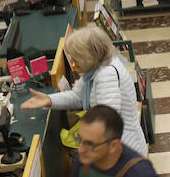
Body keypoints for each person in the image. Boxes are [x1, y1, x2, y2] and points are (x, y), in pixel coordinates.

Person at [19, 25, 148, 155]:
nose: (73, 63)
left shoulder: (106, 74)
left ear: (88, 56)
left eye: (76, 58)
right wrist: (49, 100)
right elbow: (77, 96)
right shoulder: (95, 68)